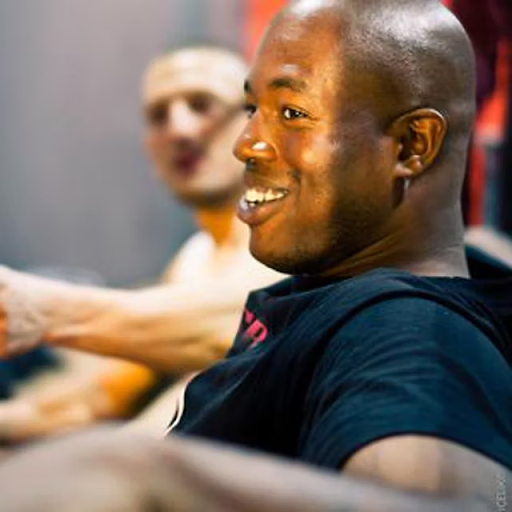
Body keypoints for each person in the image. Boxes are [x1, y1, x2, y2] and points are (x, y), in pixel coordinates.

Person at [0, 0, 510, 510]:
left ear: (411, 145)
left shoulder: (403, 330)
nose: (245, 144)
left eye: (291, 114)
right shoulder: (307, 293)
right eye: (251, 111)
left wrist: (138, 476)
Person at [0, 46, 279, 441]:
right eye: (158, 115)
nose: (179, 129)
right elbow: (94, 402)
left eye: (203, 105)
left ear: (256, 121)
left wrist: (38, 307)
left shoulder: (292, 239)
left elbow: (243, 328)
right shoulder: (195, 257)